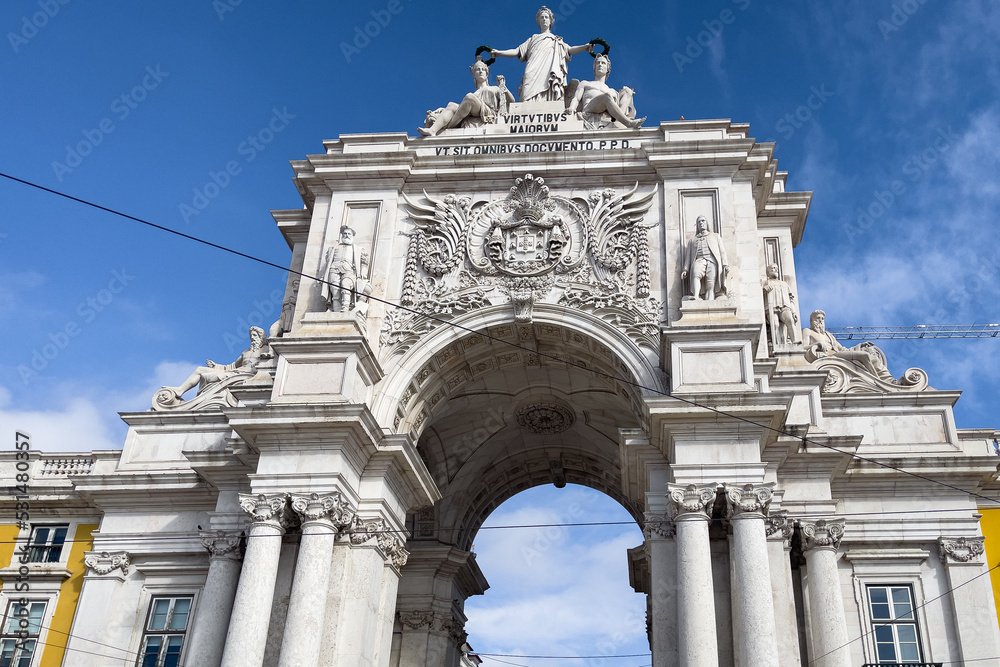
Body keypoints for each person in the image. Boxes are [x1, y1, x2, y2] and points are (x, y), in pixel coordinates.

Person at [490, 6, 593, 102]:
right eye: (542, 17)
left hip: (550, 70)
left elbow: (570, 49)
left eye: (546, 17)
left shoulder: (556, 40)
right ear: (538, 21)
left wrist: (584, 48)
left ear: (550, 21)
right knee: (526, 91)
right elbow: (517, 51)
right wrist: (499, 53)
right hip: (533, 68)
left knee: (549, 90)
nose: (544, 19)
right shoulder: (532, 39)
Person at [159, 326, 268, 400]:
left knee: (206, 375)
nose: (252, 338)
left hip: (246, 375)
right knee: (199, 369)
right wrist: (216, 366)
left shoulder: (266, 350)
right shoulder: (246, 352)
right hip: (235, 372)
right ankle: (180, 390)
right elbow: (232, 366)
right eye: (251, 336)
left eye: (255, 336)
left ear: (261, 337)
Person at [419, 59, 515, 136]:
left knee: (469, 97)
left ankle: (448, 125)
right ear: (474, 74)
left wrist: (503, 87)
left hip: (487, 112)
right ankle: (433, 130)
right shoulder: (475, 93)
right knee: (451, 105)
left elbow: (511, 101)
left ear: (487, 73)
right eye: (478, 69)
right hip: (472, 112)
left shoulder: (495, 88)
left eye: (483, 69)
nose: (481, 71)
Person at [802, 310, 894, 380]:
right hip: (829, 355)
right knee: (864, 356)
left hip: (836, 353)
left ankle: (887, 380)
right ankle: (876, 380)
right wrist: (818, 344)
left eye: (822, 318)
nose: (821, 321)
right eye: (818, 318)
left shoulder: (828, 335)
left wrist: (860, 346)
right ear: (812, 320)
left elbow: (842, 349)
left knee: (871, 357)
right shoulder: (808, 331)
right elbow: (803, 347)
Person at [567, 54, 644, 129]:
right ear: (594, 67)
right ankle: (628, 123)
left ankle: (620, 122)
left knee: (626, 91)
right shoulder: (585, 83)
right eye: (598, 63)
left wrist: (627, 93)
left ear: (607, 69)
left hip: (607, 114)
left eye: (603, 63)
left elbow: (616, 109)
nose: (600, 65)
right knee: (606, 97)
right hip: (588, 110)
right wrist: (571, 108)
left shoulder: (612, 91)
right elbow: (576, 99)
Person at [322, 225, 369, 312]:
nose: (347, 235)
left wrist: (363, 272)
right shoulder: (333, 248)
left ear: (352, 235)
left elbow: (364, 263)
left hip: (349, 271)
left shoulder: (358, 249)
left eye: (349, 234)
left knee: (345, 284)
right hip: (334, 269)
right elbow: (328, 261)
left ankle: (345, 307)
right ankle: (336, 309)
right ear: (342, 235)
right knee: (334, 289)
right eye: (345, 233)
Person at [681, 216, 728, 300]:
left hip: (712, 261)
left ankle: (710, 300)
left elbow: (722, 252)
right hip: (699, 260)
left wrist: (725, 264)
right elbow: (688, 257)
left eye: (703, 221)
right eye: (699, 222)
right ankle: (696, 295)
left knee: (710, 283)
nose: (701, 223)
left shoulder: (715, 236)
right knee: (695, 274)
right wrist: (685, 270)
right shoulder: (693, 240)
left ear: (707, 223)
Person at [762, 264, 799, 345]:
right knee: (775, 324)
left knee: (790, 320)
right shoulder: (765, 282)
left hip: (785, 306)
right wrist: (764, 289)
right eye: (773, 268)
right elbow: (759, 294)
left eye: (776, 268)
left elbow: (791, 299)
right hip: (771, 307)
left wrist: (794, 312)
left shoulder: (784, 284)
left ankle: (794, 341)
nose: (775, 270)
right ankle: (776, 344)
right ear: (768, 272)